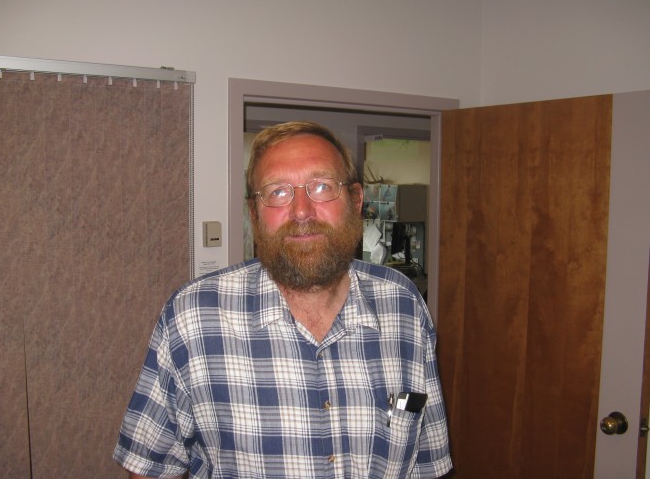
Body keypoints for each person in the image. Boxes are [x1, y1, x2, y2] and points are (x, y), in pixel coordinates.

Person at [113, 121, 453, 478]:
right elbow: (150, 467)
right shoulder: (192, 317)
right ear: (254, 212)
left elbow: (426, 463)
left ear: (356, 200)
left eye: (321, 186)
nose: (302, 211)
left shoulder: (404, 305)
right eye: (277, 192)